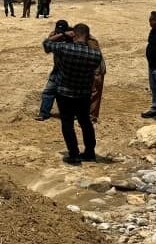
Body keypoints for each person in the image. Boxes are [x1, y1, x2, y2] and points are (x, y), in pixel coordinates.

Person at [43, 23, 103, 164]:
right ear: (88, 36)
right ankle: (89, 152)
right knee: (85, 122)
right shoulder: (95, 55)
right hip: (83, 94)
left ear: (73, 34)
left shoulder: (65, 49)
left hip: (64, 92)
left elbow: (46, 44)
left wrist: (63, 35)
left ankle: (74, 154)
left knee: (67, 123)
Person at [35, 19, 71, 121]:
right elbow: (47, 44)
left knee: (67, 94)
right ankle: (44, 113)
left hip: (68, 70)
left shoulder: (72, 37)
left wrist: (67, 35)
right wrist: (61, 35)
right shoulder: (56, 35)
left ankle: (70, 114)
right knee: (48, 92)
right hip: (57, 69)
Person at [87, 35, 107, 123]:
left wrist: (97, 74)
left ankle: (91, 117)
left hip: (95, 71)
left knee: (94, 93)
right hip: (90, 71)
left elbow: (96, 58)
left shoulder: (91, 42)